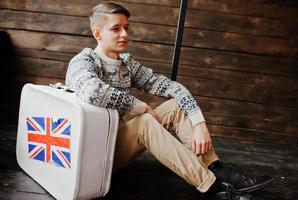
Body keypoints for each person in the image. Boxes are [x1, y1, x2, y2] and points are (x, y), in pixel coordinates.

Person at [65, 2, 273, 200]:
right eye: (116, 29)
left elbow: (174, 88)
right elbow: (92, 91)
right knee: (145, 120)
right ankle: (214, 187)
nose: (124, 34)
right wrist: (141, 106)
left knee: (175, 106)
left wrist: (199, 123)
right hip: (92, 158)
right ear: (97, 33)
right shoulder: (83, 62)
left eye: (127, 28)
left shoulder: (127, 64)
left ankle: (218, 170)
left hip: (115, 144)